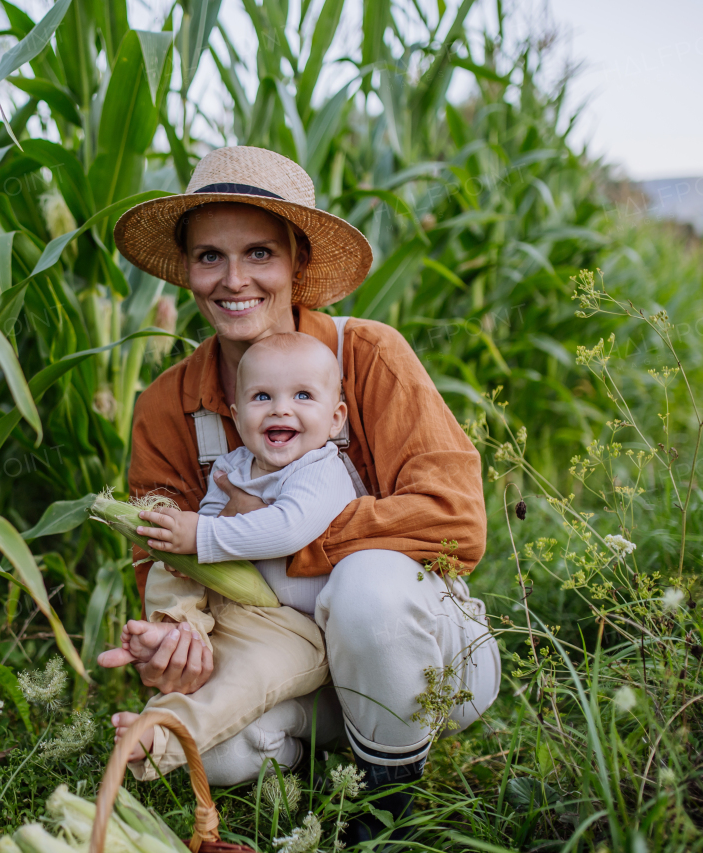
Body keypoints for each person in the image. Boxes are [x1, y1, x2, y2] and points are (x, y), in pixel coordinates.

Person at [100, 146, 501, 839]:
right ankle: (345, 752)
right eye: (209, 257)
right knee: (215, 754)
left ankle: (385, 807)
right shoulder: (167, 407)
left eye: (259, 253)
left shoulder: (368, 356)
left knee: (366, 583)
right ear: (189, 270)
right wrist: (177, 636)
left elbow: (455, 521)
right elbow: (167, 562)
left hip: (423, 656)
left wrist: (290, 535)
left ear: (295, 264)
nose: (234, 280)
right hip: (287, 661)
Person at [98, 332, 356, 782]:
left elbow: (287, 528)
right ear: (237, 417)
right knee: (170, 559)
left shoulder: (321, 469)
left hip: (297, 630)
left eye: (302, 395)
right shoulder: (233, 467)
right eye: (262, 396)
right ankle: (174, 629)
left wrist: (203, 533)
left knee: (244, 676)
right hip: (236, 607)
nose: (280, 408)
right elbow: (206, 555)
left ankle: (161, 735)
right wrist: (189, 547)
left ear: (335, 419)